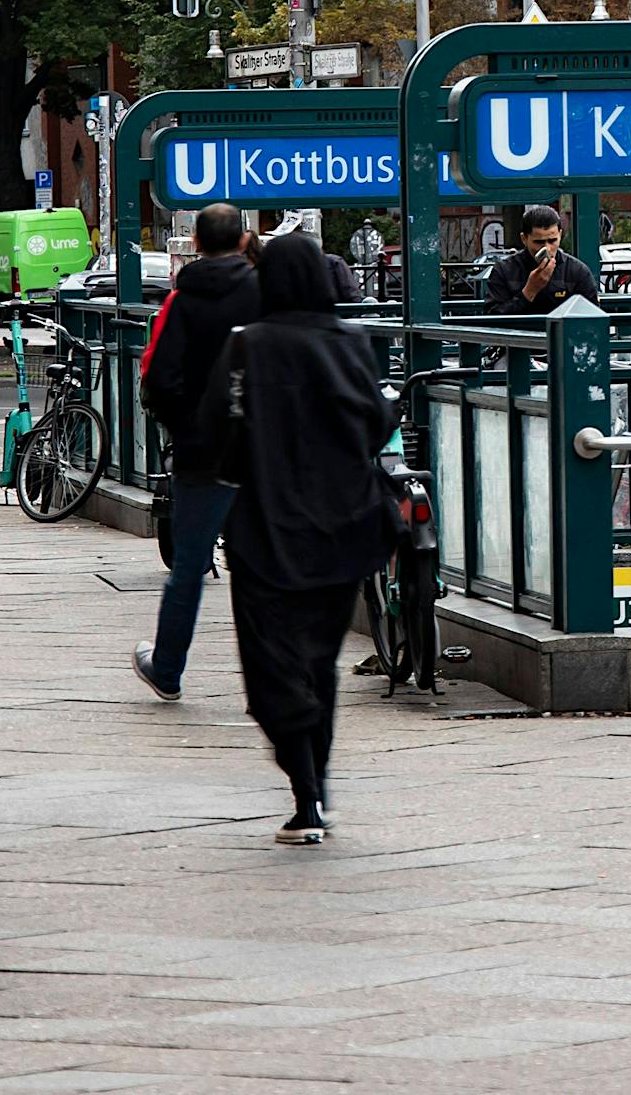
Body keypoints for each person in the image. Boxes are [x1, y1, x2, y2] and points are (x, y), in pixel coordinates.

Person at [198, 237, 394, 845]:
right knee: (319, 659)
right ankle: (317, 781)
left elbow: (213, 432)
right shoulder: (350, 342)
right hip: (345, 526)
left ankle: (304, 784)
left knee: (272, 660)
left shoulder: (246, 346)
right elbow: (379, 423)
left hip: (267, 528)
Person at [132, 202, 261, 703]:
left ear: (198, 244)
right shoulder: (264, 293)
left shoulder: (181, 301)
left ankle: (167, 668)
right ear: (244, 240)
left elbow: (158, 376)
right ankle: (268, 673)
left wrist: (184, 427)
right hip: (258, 450)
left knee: (189, 565)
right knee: (258, 567)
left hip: (201, 453)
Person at [484, 204, 599, 316]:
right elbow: (492, 318)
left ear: (560, 235)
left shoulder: (577, 271)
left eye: (552, 240)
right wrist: (529, 291)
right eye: (538, 242)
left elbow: (593, 316)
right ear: (524, 239)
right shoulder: (504, 270)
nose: (547, 248)